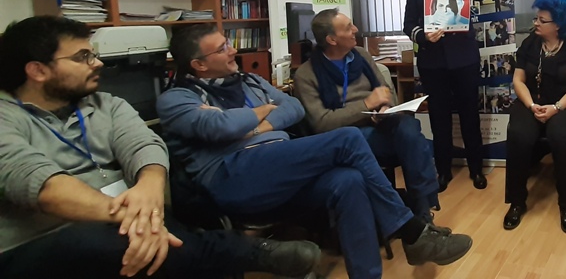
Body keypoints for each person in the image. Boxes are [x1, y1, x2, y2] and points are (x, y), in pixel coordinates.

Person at [0, 16, 321, 279]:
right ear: (37, 70)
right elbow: (44, 187)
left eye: (93, 53)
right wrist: (138, 218)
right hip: (41, 241)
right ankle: (249, 253)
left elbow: (145, 145)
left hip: (128, 222)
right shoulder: (5, 117)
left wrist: (150, 187)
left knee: (166, 234)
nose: (97, 63)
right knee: (94, 240)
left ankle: (234, 251)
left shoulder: (105, 104)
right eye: (83, 57)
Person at [158, 24, 472, 279]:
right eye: (222, 48)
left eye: (228, 43)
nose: (233, 51)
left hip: (279, 166)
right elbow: (221, 127)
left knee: (348, 181)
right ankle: (412, 230)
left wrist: (252, 126)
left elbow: (292, 108)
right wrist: (263, 111)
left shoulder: (250, 81)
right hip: (233, 177)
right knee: (347, 139)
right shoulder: (176, 99)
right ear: (199, 64)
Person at [294, 8, 440, 222]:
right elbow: (321, 123)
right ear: (332, 40)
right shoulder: (306, 75)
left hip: (378, 123)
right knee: (419, 145)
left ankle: (420, 209)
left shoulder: (361, 55)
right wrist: (366, 104)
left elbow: (384, 91)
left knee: (409, 127)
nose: (356, 29)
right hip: (346, 137)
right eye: (348, 28)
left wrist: (384, 107)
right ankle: (422, 209)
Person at [403, 0, 491, 191]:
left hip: (464, 59)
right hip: (433, 61)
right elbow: (408, 24)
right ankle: (443, 171)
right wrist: (423, 36)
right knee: (439, 118)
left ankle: (476, 169)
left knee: (469, 115)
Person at [503, 0, 566, 234]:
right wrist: (531, 105)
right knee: (519, 134)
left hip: (565, 104)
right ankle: (517, 202)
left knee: (561, 137)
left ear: (558, 24)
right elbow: (518, 80)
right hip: (532, 101)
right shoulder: (530, 43)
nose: (536, 23)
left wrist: (556, 107)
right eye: (536, 18)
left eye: (542, 20)